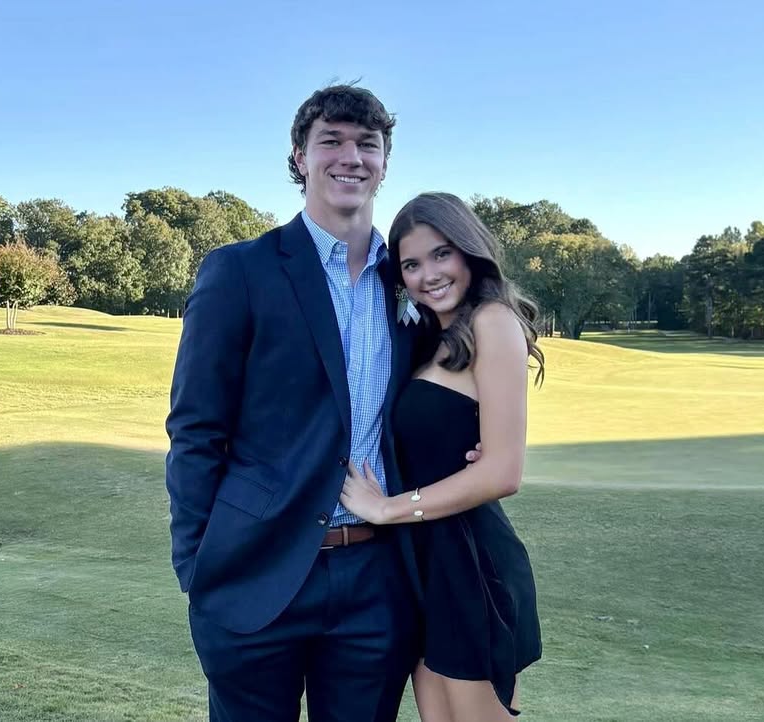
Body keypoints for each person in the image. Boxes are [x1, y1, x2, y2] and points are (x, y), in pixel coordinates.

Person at [165, 84, 474, 722]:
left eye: (368, 144)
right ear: (300, 157)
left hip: (378, 578)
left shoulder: (412, 282)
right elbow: (195, 431)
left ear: (385, 162)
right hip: (256, 574)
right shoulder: (239, 271)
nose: (350, 157)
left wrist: (469, 446)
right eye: (330, 141)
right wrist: (198, 567)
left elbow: (444, 391)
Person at [341, 191, 544, 720]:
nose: (428, 275)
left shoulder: (493, 321)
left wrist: (386, 508)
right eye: (411, 264)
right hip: (424, 565)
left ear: (469, 250)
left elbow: (503, 472)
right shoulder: (431, 337)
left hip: (470, 564)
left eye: (441, 254)